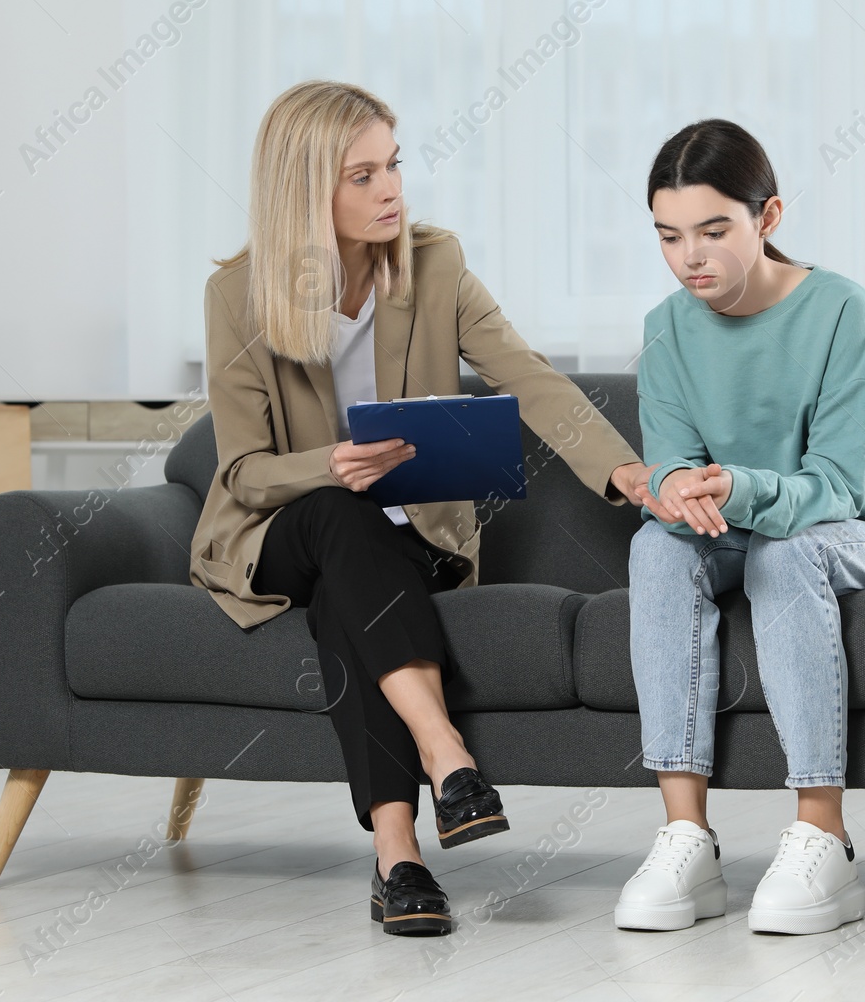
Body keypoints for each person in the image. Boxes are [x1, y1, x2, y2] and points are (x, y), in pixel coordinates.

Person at [190, 80, 654, 938]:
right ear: (304, 191)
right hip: (278, 531)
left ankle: (399, 860)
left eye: (393, 166)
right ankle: (448, 756)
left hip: (402, 544)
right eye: (361, 176)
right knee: (338, 513)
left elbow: (532, 380)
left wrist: (628, 474)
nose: (392, 190)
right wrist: (328, 463)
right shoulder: (238, 296)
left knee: (349, 591)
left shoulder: (433, 263)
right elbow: (245, 473)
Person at [613, 119, 865, 936]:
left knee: (784, 551)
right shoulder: (665, 326)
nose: (690, 256)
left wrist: (733, 485)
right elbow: (670, 461)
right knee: (655, 545)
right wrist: (673, 488)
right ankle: (686, 836)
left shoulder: (838, 306)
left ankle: (822, 832)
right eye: (668, 236)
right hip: (750, 524)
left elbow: (835, 484)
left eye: (713, 230)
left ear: (767, 218)